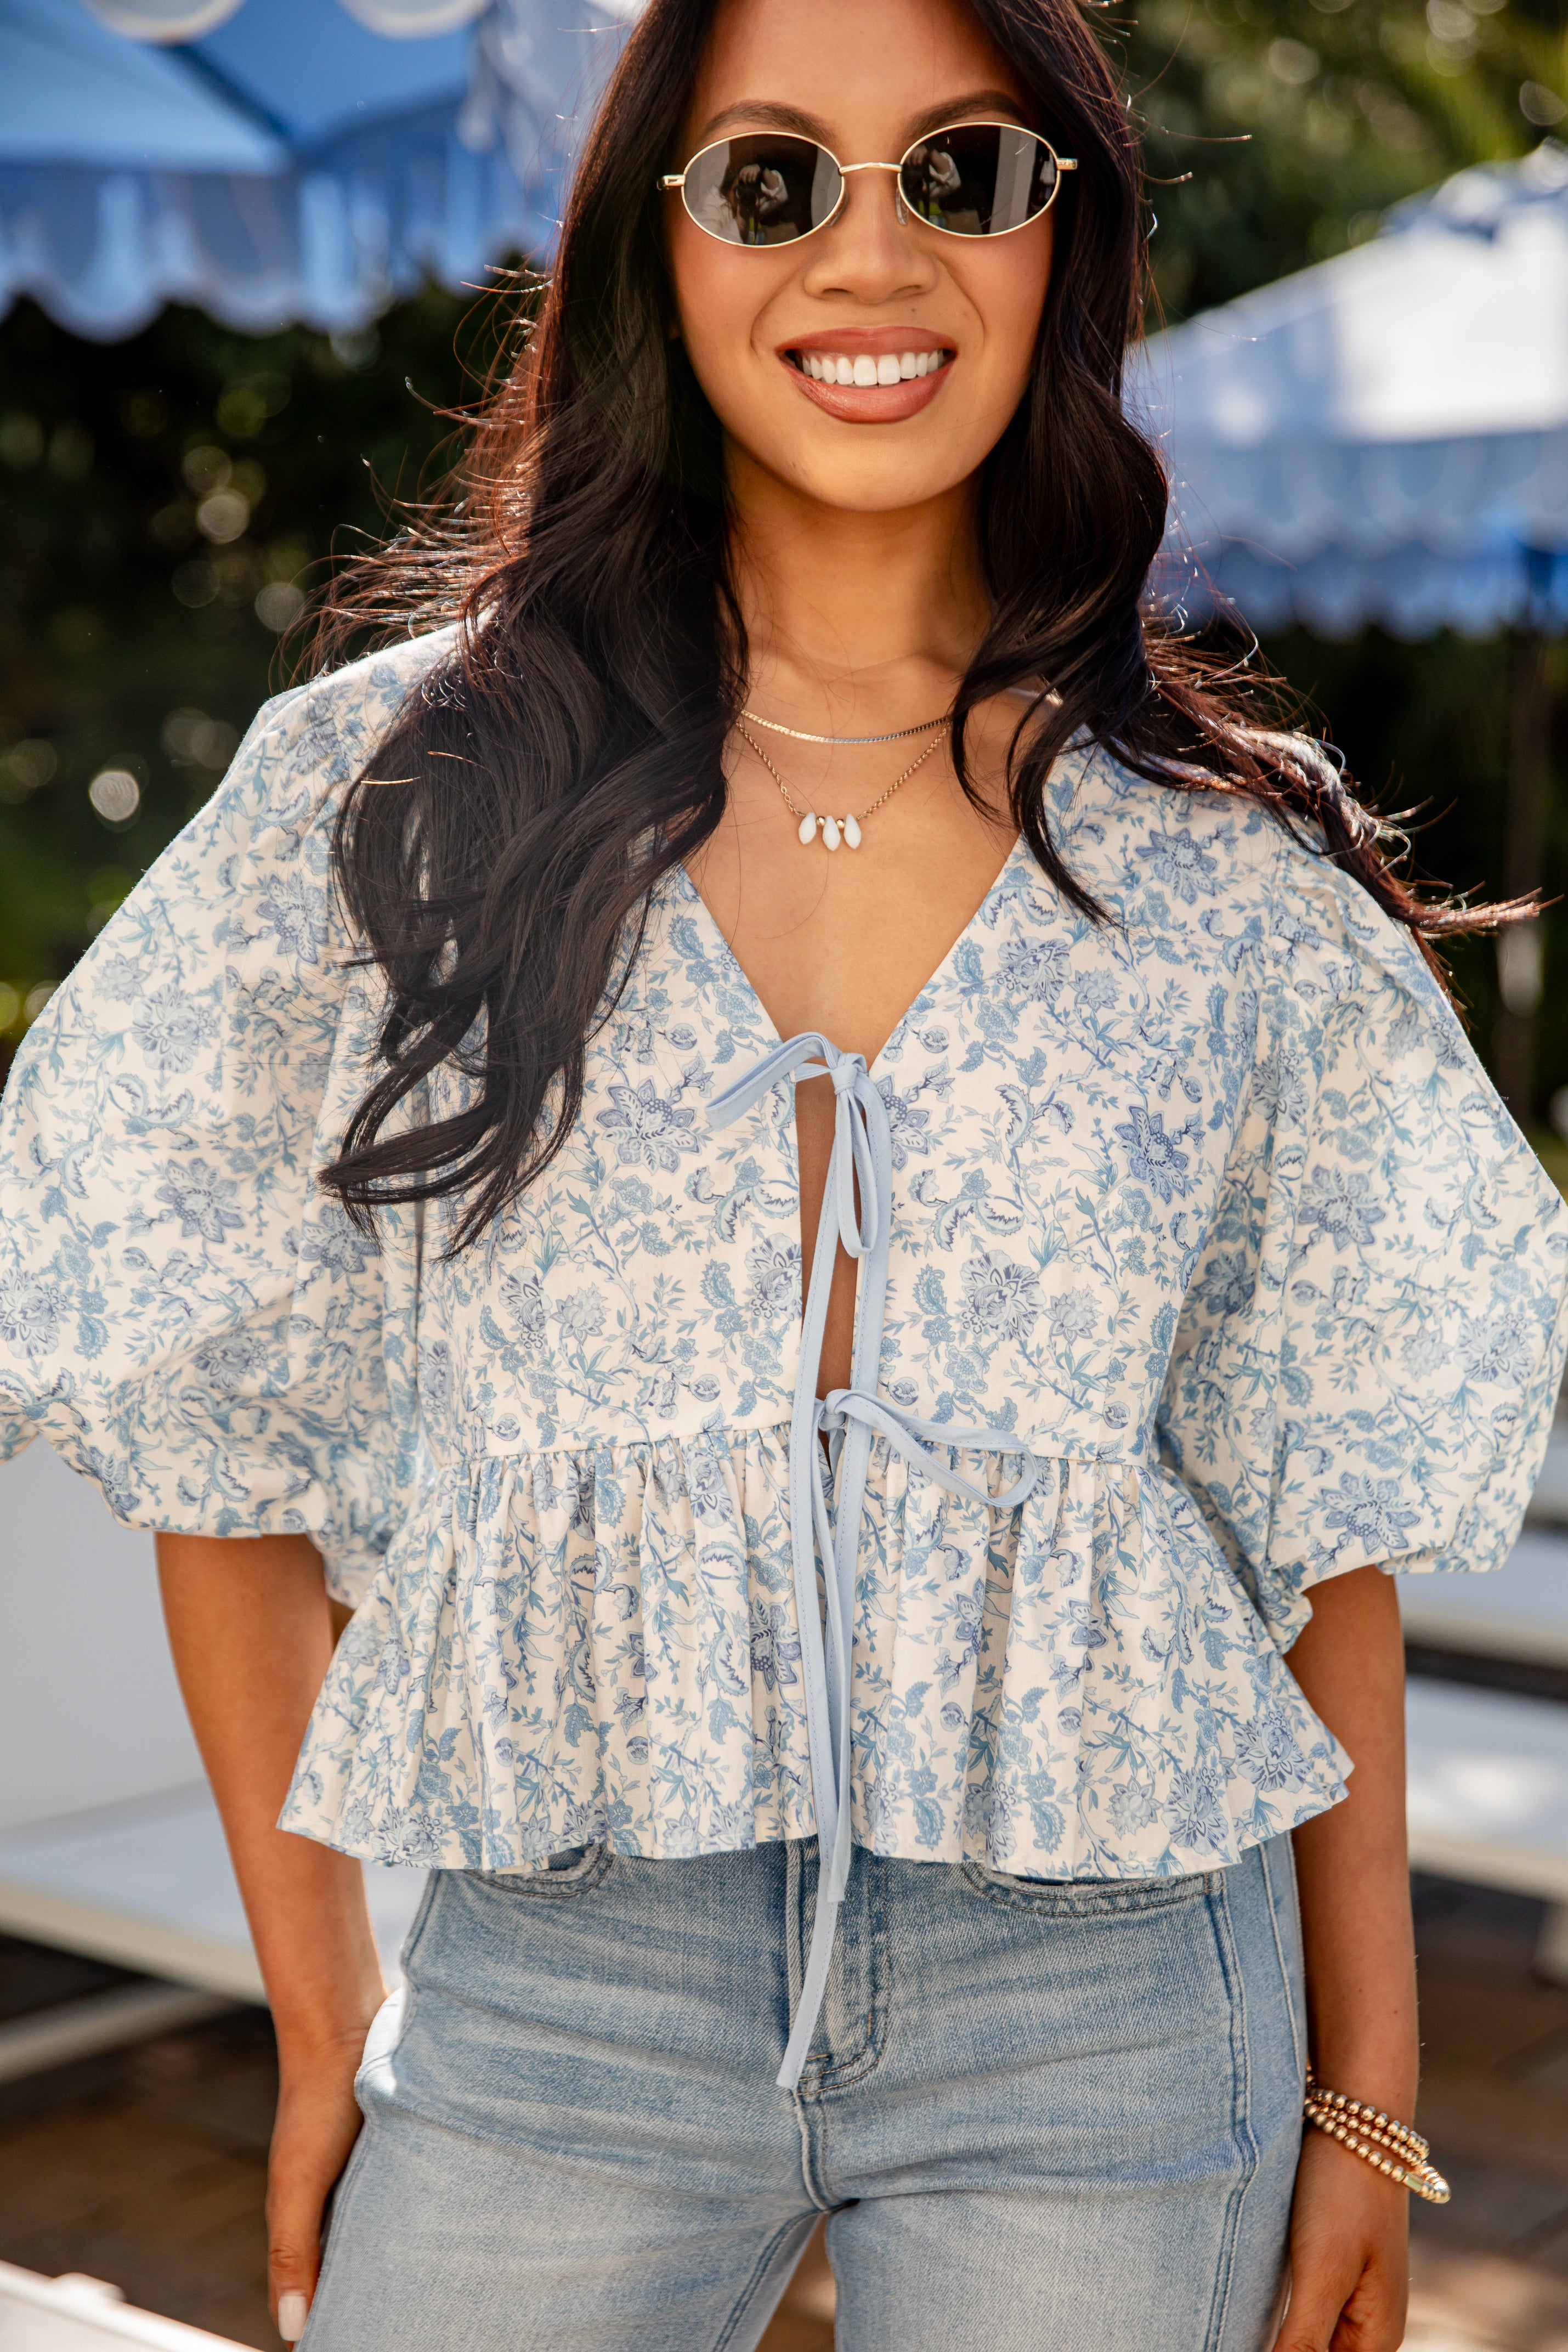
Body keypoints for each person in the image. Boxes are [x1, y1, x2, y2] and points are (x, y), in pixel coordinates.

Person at [2, 0, 1564, 2344]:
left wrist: (1366, 2098)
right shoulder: (395, 801)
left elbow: (1305, 1520)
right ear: (656, 245)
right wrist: (323, 2010)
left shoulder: (1233, 887)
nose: (873, 251)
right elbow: (193, 1403)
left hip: (1115, 2006)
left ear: (1062, 240)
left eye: (960, 172)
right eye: (768, 178)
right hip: (564, 1979)